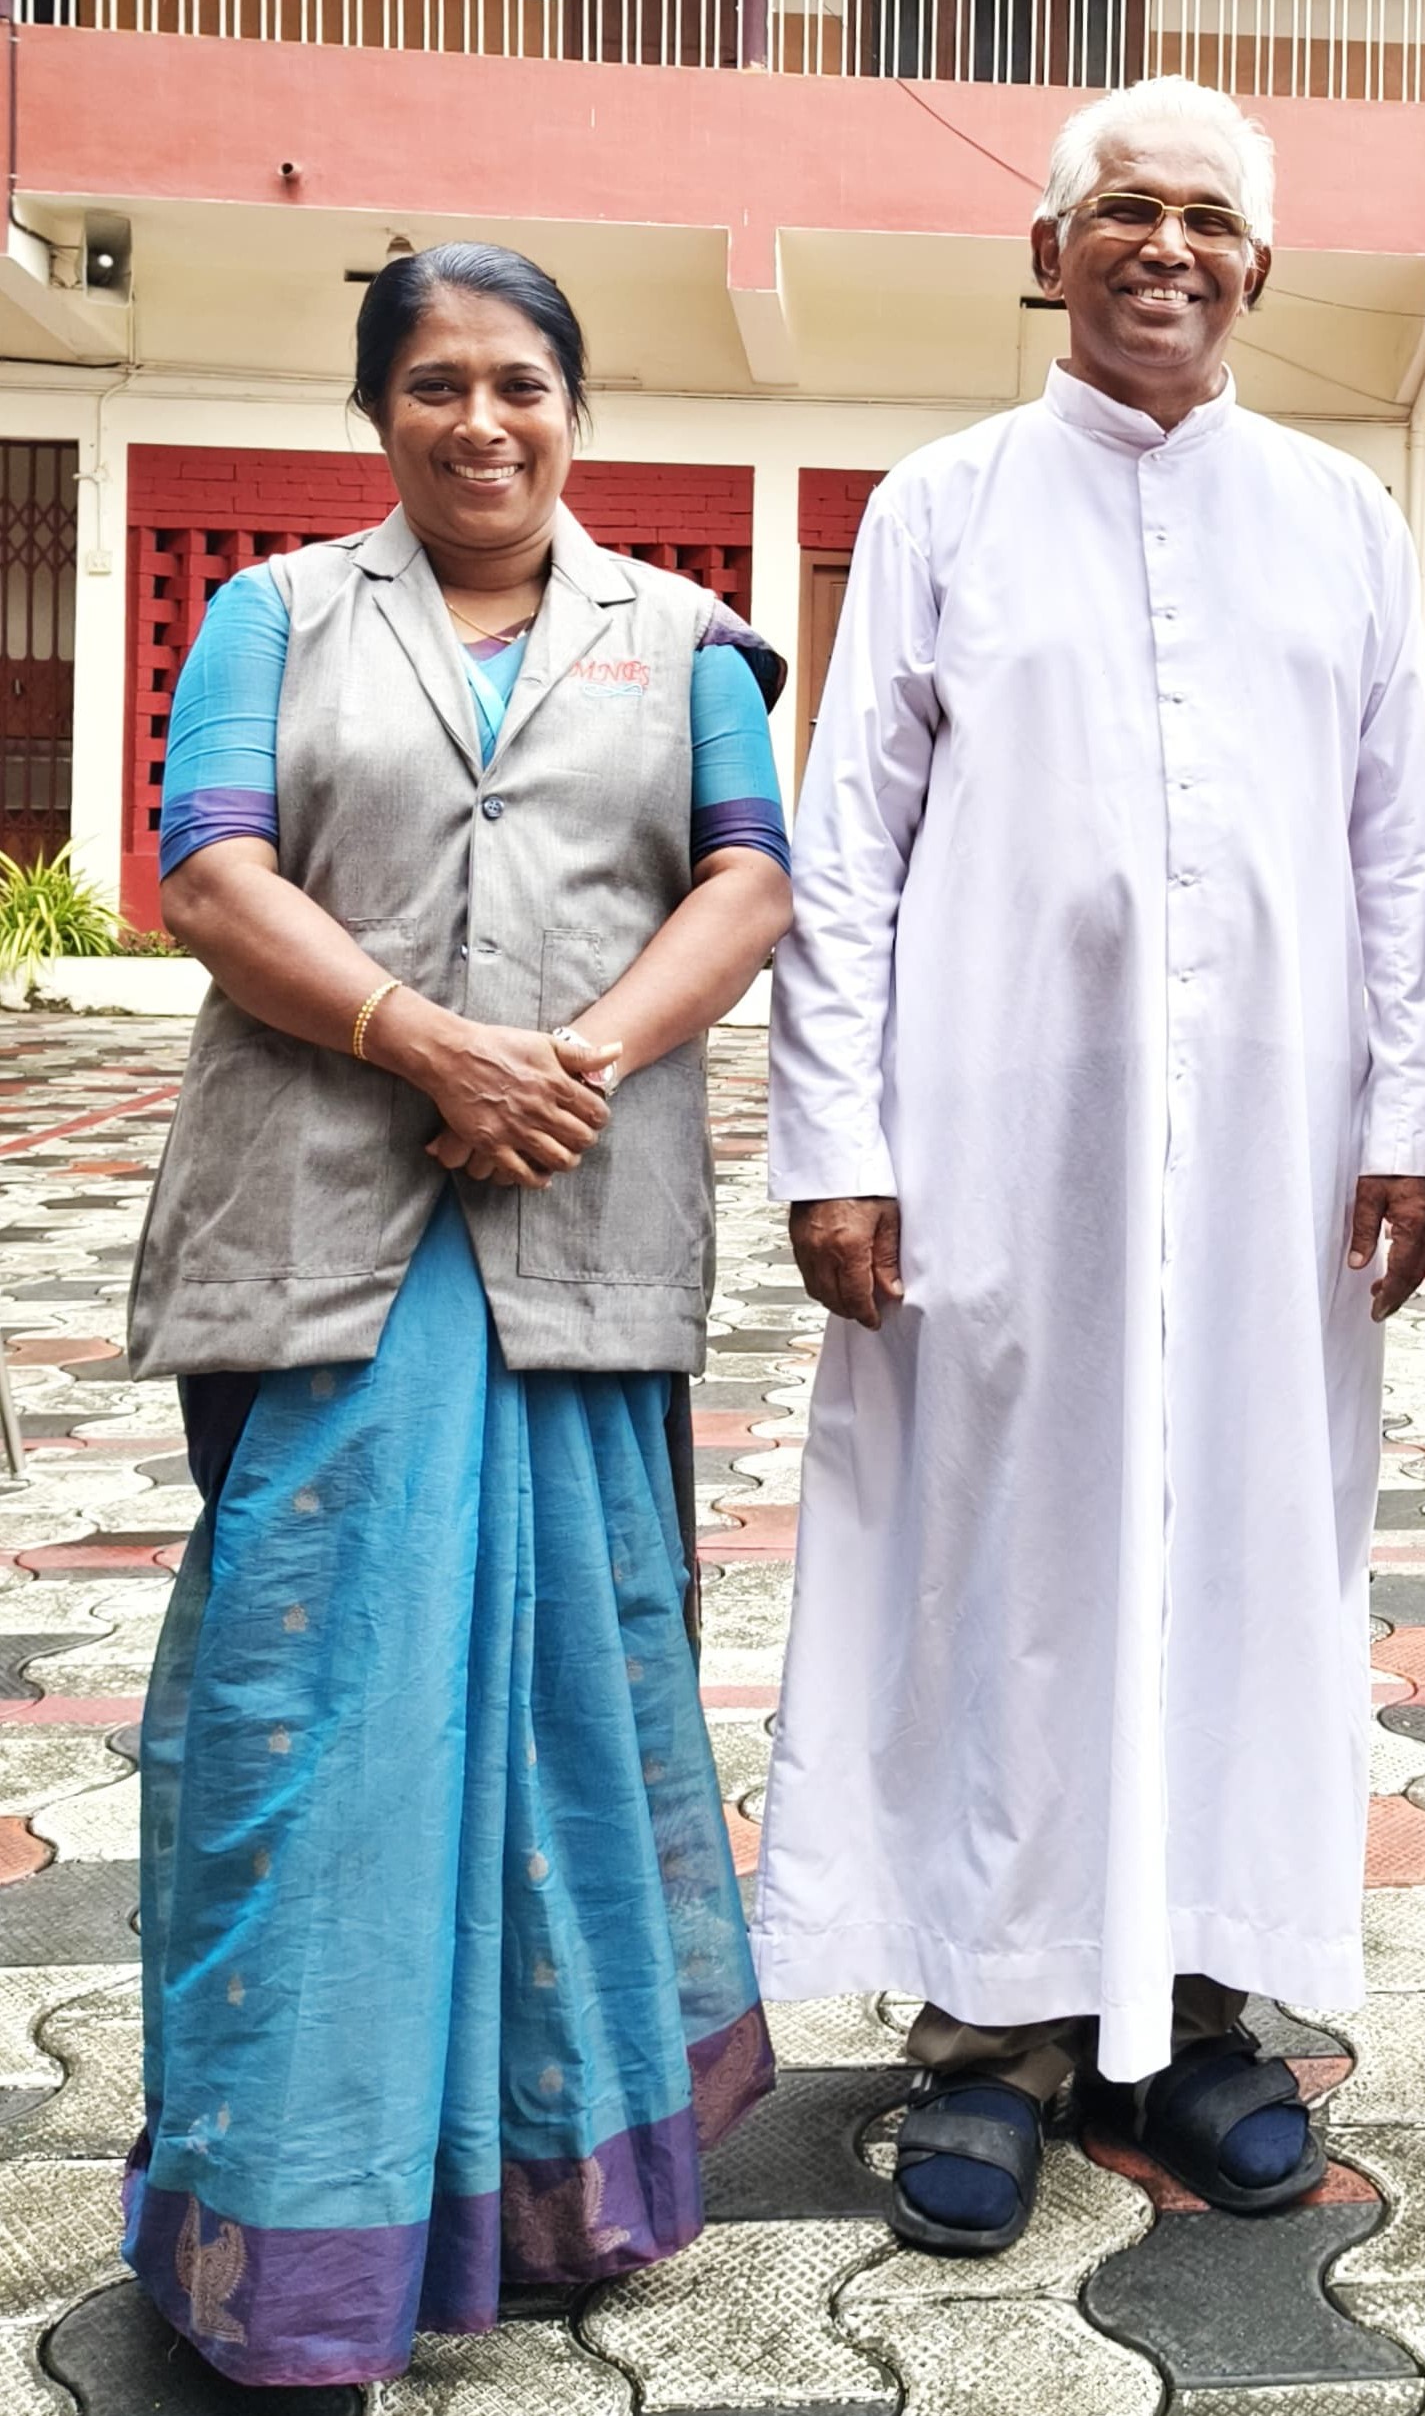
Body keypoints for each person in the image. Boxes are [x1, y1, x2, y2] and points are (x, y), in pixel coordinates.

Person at [755, 75, 1425, 2255]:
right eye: (1121, 212)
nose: (1163, 247)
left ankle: (1196, 2010)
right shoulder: (945, 505)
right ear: (1049, 251)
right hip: (994, 1139)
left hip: (1273, 1161)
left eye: (1205, 218)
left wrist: (1413, 1116)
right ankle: (984, 2029)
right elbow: (847, 851)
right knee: (996, 1561)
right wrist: (839, 1143)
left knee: (1243, 1549)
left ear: (1258, 267)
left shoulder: (1341, 521)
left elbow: (1398, 846)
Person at [122, 242, 792, 2385]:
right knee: (317, 1723)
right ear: (378, 412)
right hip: (326, 1234)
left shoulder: (678, 635)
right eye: (434, 385)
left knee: (569, 1718)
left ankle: (551, 2186)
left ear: (575, 408)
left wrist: (562, 1063)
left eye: (519, 382)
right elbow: (209, 872)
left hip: (573, 1232)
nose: (479, 423)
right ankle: (301, 2235)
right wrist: (430, 1042)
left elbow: (749, 880)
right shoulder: (276, 615)